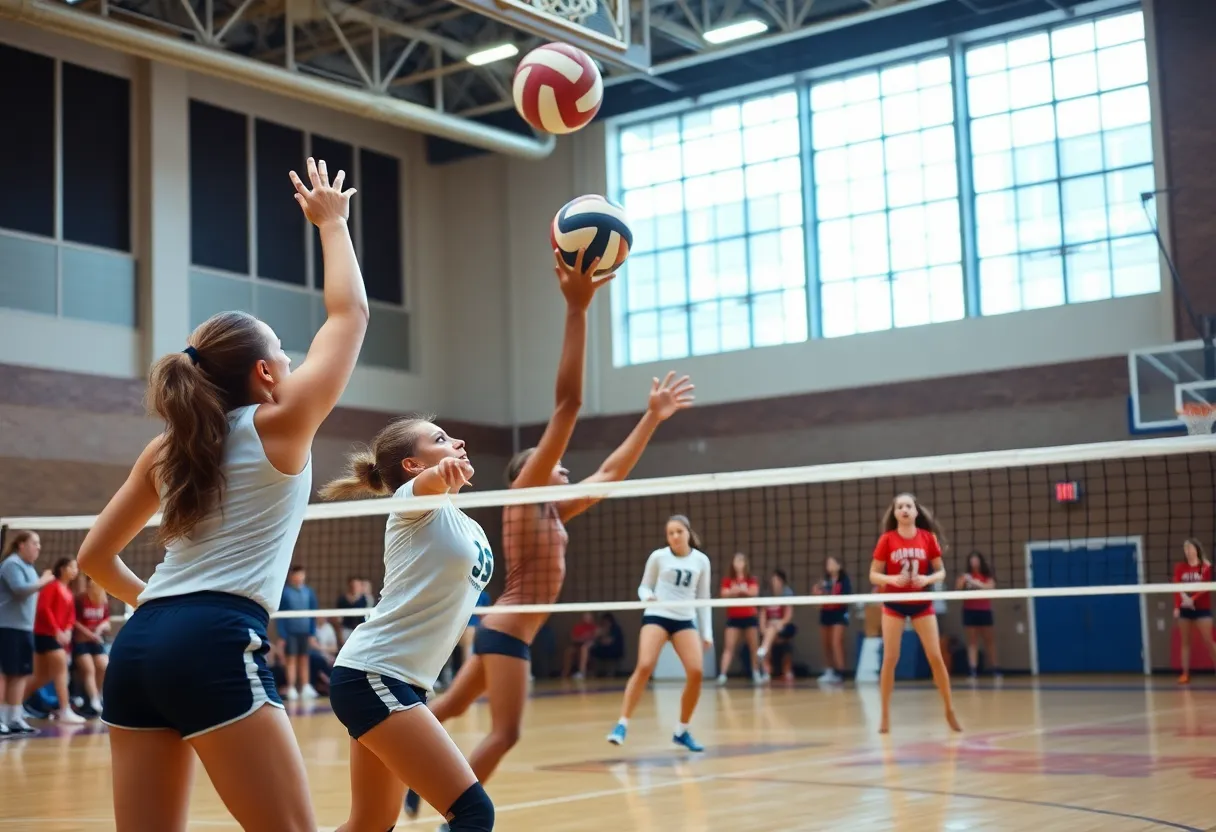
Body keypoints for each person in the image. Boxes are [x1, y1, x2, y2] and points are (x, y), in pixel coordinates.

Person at [75, 157, 367, 832]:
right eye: (288, 358)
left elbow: (94, 556)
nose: (296, 366)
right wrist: (333, 224)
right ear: (266, 375)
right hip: (212, 638)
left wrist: (158, 609)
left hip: (139, 646)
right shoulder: (281, 424)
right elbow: (349, 314)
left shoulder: (164, 449)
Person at [406, 254, 694, 818]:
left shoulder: (554, 512)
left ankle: (407, 767)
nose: (566, 472)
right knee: (506, 733)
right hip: (509, 631)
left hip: (502, 630)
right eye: (556, 467)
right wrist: (577, 310)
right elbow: (569, 405)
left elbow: (609, 474)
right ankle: (453, 813)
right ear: (529, 472)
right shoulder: (527, 492)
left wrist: (652, 418)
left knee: (448, 709)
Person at [317, 415, 496, 832]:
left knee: (370, 824)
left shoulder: (465, 523)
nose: (459, 440)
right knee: (473, 813)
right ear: (413, 465)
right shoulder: (411, 504)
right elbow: (425, 487)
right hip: (374, 674)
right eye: (441, 439)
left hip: (402, 681)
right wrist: (441, 473)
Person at [607, 515, 713, 751]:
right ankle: (622, 724)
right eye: (670, 533)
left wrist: (707, 633)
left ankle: (682, 730)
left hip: (685, 619)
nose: (675, 536)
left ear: (688, 532)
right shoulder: (658, 557)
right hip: (658, 615)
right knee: (645, 665)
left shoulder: (701, 561)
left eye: (678, 531)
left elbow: (704, 598)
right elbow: (644, 585)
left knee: (696, 672)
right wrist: (647, 597)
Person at [869, 493, 960, 735]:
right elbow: (873, 575)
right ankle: (885, 714)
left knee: (935, 657)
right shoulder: (887, 539)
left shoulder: (927, 538)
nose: (905, 509)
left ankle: (949, 709)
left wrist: (926, 579)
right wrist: (891, 579)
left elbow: (941, 572)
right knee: (890, 659)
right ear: (895, 513)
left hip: (921, 602)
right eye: (900, 506)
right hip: (894, 603)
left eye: (909, 506)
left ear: (916, 511)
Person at [0, 530, 53, 736]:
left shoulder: (28, 567)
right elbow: (20, 590)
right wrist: (44, 581)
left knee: (20, 673)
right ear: (21, 544)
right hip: (7, 627)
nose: (38, 547)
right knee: (4, 673)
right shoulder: (12, 564)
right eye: (34, 543)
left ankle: (14, 717)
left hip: (23, 628)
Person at [30, 557, 85, 723]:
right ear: (62, 568)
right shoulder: (51, 586)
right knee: (61, 670)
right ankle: (65, 710)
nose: (75, 570)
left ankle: (13, 705)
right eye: (72, 567)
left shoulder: (67, 591)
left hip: (58, 635)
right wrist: (56, 631)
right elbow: (43, 609)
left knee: (41, 677)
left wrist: (68, 630)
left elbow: (71, 616)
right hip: (46, 634)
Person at [1174, 538, 1216, 684]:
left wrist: (1193, 599)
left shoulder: (1205, 567)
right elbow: (1176, 587)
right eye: (1186, 549)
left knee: (1209, 641)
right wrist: (1178, 605)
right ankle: (1185, 674)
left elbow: (1205, 586)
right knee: (1185, 642)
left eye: (1190, 548)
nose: (1188, 551)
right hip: (1185, 609)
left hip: (1202, 609)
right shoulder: (1180, 567)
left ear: (1197, 549)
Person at [716, 552, 761, 685]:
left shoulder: (751, 579)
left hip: (749, 617)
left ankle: (756, 672)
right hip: (734, 618)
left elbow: (754, 592)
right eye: (737, 561)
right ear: (733, 564)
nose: (739, 563)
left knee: (754, 647)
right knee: (729, 648)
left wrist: (740, 591)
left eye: (741, 561)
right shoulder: (727, 580)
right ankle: (723, 675)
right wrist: (734, 591)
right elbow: (724, 593)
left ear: (745, 564)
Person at [956, 551, 998, 679]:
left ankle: (995, 668)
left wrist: (974, 582)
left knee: (989, 641)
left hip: (984, 610)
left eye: (976, 559)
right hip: (969, 610)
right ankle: (973, 669)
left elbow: (990, 587)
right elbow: (957, 589)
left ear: (980, 561)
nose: (973, 562)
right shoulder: (965, 576)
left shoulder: (986, 575)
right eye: (971, 560)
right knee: (972, 641)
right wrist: (962, 581)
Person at [74, 574, 112, 716]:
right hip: (81, 642)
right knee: (89, 668)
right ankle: (93, 700)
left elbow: (106, 620)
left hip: (96, 641)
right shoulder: (80, 599)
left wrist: (100, 628)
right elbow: (74, 621)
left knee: (104, 666)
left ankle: (99, 695)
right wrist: (89, 634)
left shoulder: (103, 600)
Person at [813, 556, 851, 684]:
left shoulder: (844, 581)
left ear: (838, 566)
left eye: (832, 563)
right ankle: (829, 671)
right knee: (826, 644)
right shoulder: (823, 582)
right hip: (825, 614)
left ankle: (840, 672)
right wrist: (817, 593)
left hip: (839, 614)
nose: (829, 565)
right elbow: (817, 602)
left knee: (836, 642)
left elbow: (845, 599)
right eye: (827, 563)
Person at [757, 569, 796, 682]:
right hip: (770, 627)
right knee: (768, 634)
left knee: (770, 636)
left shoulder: (786, 593)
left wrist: (780, 623)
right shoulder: (767, 594)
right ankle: (766, 670)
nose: (774, 582)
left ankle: (763, 651)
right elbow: (762, 616)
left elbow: (788, 616)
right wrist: (763, 629)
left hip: (783, 626)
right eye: (773, 580)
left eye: (777, 580)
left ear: (782, 581)